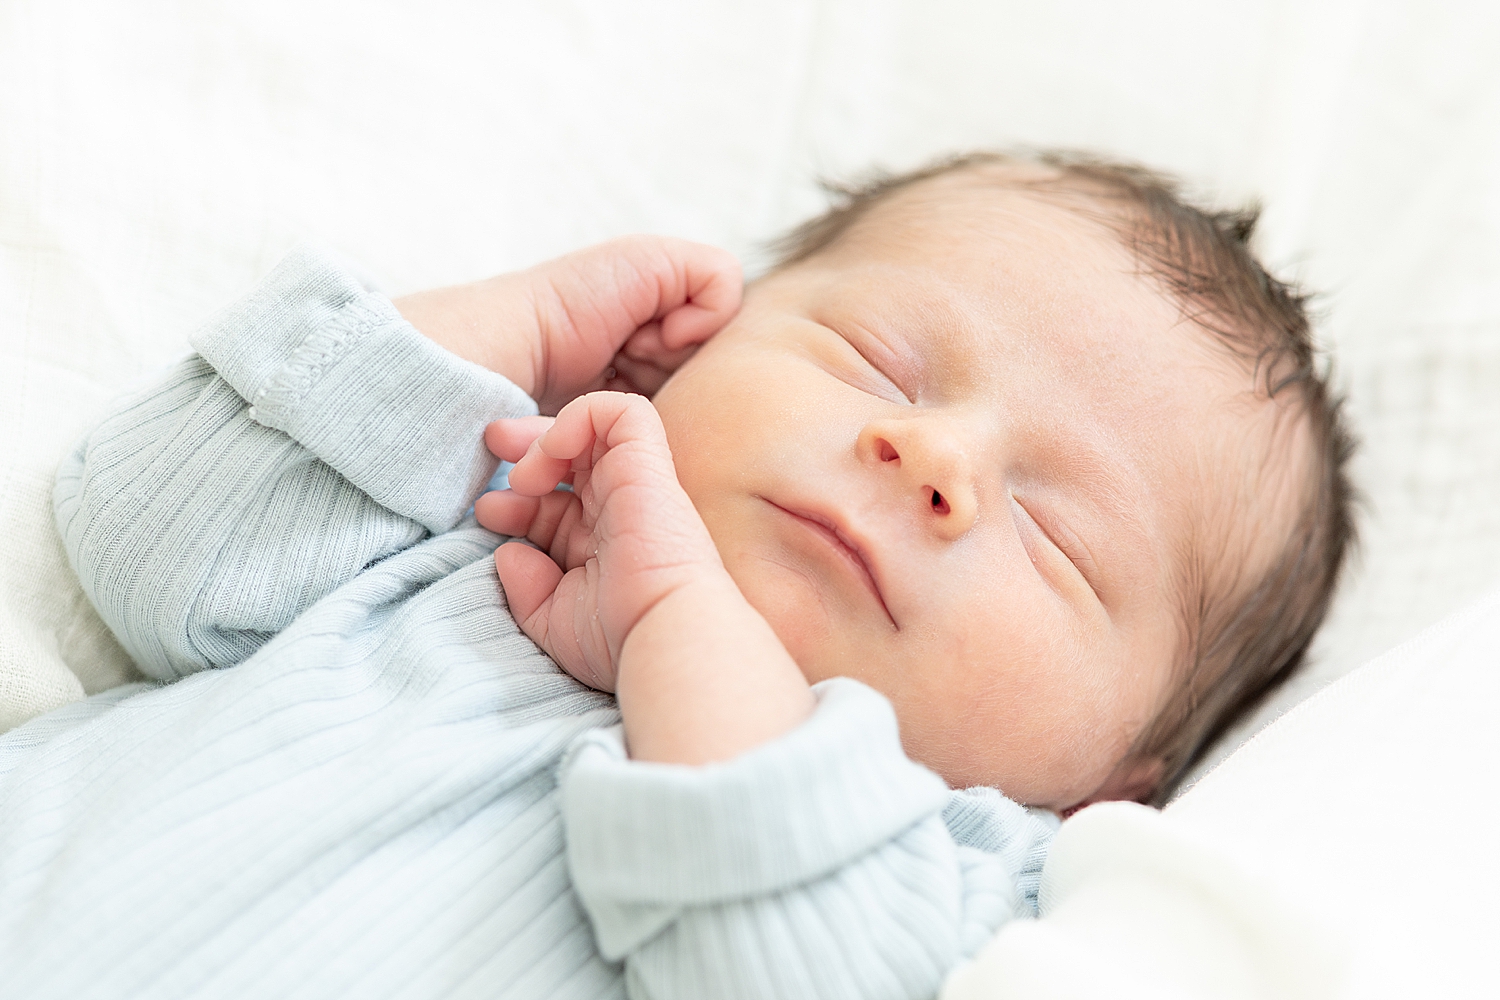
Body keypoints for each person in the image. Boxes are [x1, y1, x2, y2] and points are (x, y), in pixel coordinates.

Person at [0, 152, 1354, 999]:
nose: (932, 453)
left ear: (1119, 781)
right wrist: (509, 334)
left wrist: (673, 624)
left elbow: (784, 971)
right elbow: (150, 542)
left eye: (1062, 538)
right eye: (881, 361)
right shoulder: (484, 528)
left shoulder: (952, 879)